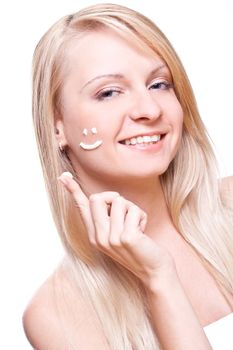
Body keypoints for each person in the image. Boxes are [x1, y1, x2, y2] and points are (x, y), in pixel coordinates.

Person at [23, 3, 233, 349]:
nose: (149, 110)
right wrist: (158, 279)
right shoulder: (56, 313)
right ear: (57, 126)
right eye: (108, 92)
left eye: (159, 84)